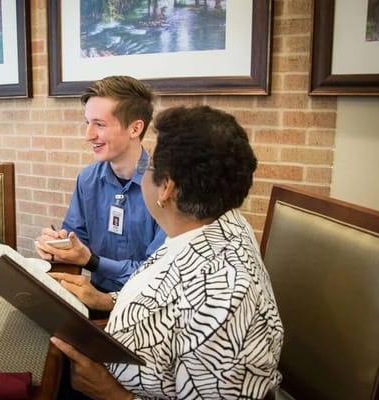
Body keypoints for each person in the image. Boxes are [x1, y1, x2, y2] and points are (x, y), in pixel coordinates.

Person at [49, 105, 284, 399]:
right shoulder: (215, 224)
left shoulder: (225, 298)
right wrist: (108, 300)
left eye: (149, 167)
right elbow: (171, 293)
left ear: (167, 188)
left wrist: (114, 394)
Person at [35, 76, 166, 293]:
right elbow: (76, 239)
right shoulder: (87, 179)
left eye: (100, 124)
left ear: (135, 129)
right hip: (91, 297)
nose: (89, 135)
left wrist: (92, 261)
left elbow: (157, 273)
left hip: (147, 307)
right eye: (88, 123)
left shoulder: (165, 187)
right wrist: (58, 245)